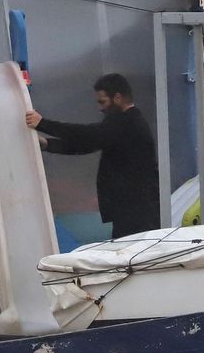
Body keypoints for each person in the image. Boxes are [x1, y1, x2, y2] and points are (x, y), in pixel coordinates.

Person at [25, 73, 161, 239]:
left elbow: (88, 135)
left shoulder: (127, 122)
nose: (100, 108)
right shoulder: (124, 123)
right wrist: (48, 144)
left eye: (102, 101)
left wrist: (42, 123)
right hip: (131, 209)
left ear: (117, 97)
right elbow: (89, 143)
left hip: (136, 211)